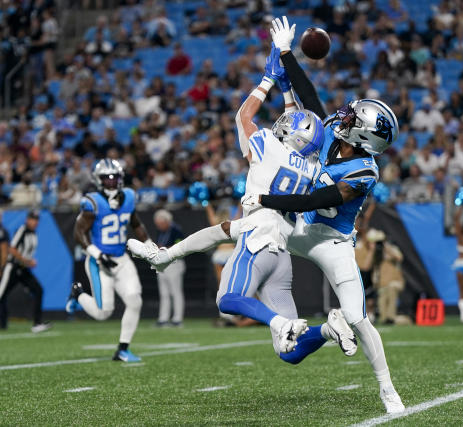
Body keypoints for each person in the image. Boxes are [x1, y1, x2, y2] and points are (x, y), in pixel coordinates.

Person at [130, 16, 405, 414]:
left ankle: (387, 388)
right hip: (294, 225)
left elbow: (315, 200)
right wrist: (287, 54)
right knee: (228, 228)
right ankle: (164, 255)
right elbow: (310, 99)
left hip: (330, 238)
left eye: (353, 119)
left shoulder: (363, 171)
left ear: (363, 137)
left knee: (360, 318)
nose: (343, 116)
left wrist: (267, 200)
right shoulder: (329, 136)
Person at [130, 47, 351, 357]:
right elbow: (297, 123)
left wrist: (268, 79)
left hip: (257, 237)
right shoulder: (314, 168)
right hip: (281, 249)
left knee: (227, 300)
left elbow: (243, 115)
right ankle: (328, 329)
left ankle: (278, 322)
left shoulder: (268, 146)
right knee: (290, 352)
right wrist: (287, 88)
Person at [65, 159, 151, 362]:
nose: (111, 181)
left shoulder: (129, 197)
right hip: (99, 261)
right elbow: (79, 234)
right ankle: (78, 294)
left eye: (114, 177)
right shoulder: (93, 202)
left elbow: (136, 223)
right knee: (104, 313)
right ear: (98, 180)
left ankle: (123, 349)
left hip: (121, 259)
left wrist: (150, 245)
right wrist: (98, 255)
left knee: (135, 301)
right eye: (107, 178)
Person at [0, 210, 51, 332]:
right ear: (27, 219)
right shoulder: (22, 230)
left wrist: (28, 262)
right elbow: (12, 249)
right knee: (1, 295)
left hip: (23, 269)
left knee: (38, 290)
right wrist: (26, 261)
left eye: (37, 220)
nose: (35, 222)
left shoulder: (34, 234)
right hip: (13, 267)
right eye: (33, 219)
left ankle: (37, 323)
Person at [153, 209, 185, 327]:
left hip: (174, 263)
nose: (159, 226)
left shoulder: (176, 230)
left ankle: (177, 318)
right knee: (164, 293)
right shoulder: (160, 231)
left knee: (175, 292)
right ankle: (163, 318)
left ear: (166, 221)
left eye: (160, 223)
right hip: (162, 264)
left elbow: (180, 245)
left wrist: (164, 248)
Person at [369, 229, 404, 325]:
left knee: (392, 288)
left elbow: (399, 258)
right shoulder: (376, 253)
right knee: (383, 316)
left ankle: (391, 318)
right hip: (382, 284)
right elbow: (374, 267)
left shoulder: (392, 249)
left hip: (395, 282)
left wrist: (386, 247)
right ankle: (395, 319)